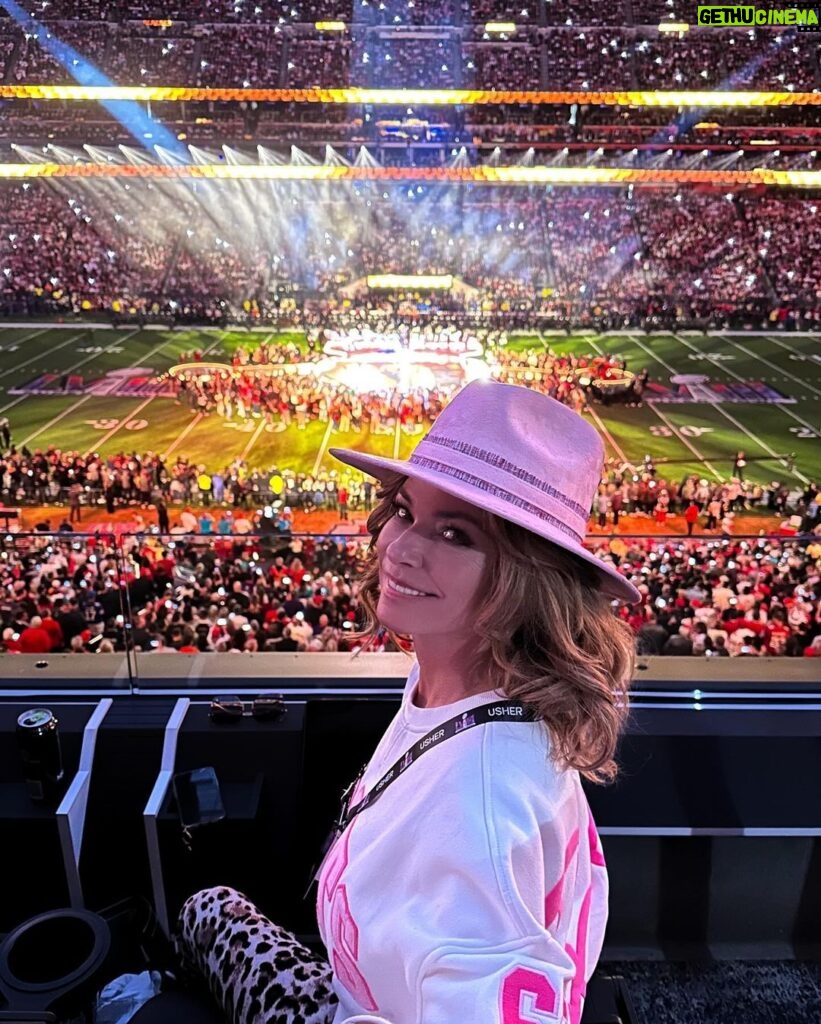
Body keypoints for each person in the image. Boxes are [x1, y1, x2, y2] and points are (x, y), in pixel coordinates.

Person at [173, 379, 639, 1024]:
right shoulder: (474, 681)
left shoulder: (480, 806)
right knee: (209, 910)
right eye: (404, 511)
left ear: (532, 582)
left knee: (201, 911)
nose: (400, 548)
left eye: (456, 535)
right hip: (363, 986)